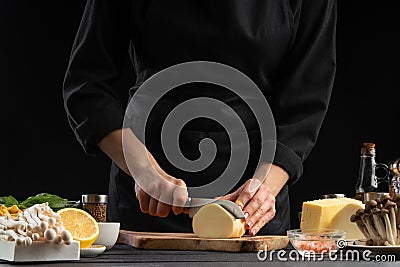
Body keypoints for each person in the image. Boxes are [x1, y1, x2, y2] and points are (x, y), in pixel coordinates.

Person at [63, 0, 336, 236]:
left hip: (252, 205)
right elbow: (87, 87)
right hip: (149, 199)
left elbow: (307, 97)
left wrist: (262, 191)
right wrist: (144, 171)